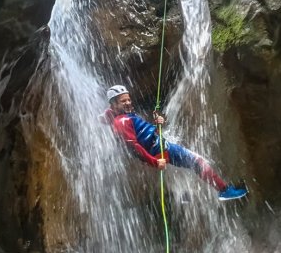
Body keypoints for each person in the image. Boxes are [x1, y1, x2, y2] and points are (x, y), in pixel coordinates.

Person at [99, 85, 248, 201]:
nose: (128, 103)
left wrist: (158, 124)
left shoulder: (124, 116)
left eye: (128, 99)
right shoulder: (122, 122)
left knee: (193, 163)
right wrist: (155, 162)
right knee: (198, 162)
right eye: (123, 101)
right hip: (163, 151)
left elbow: (142, 134)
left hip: (162, 146)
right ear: (113, 105)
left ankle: (187, 196)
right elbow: (133, 147)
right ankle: (224, 191)